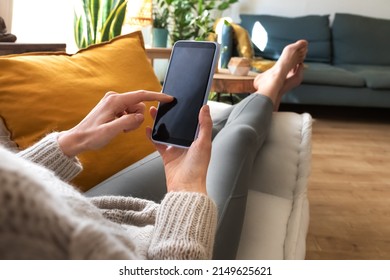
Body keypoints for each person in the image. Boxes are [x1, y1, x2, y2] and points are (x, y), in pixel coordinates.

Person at [0, 40, 308, 260]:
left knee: (211, 128)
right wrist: (186, 187)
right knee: (237, 136)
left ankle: (268, 93)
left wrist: (71, 141)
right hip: (159, 247)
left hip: (86, 207)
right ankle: (271, 84)